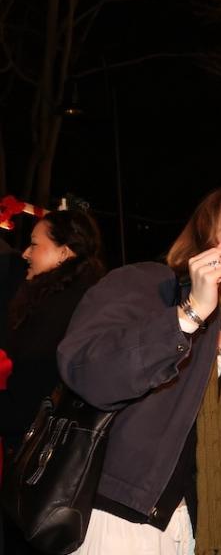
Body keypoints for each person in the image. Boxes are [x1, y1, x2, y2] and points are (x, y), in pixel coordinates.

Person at [57, 184, 221, 554]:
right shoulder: (146, 285)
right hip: (114, 519)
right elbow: (87, 371)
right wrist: (189, 314)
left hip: (195, 525)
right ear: (208, 240)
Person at [2, 211, 105, 555]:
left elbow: (25, 403)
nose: (26, 254)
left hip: (41, 471)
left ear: (64, 252)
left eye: (35, 245)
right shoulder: (83, 299)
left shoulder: (57, 312)